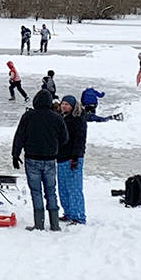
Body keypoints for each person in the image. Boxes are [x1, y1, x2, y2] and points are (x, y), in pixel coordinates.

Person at [12, 90, 69, 232]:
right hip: (50, 160)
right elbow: (65, 138)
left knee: (36, 192)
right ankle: (55, 224)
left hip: (32, 159)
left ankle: (39, 224)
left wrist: (15, 155)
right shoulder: (56, 118)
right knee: (51, 191)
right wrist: (54, 146)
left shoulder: (28, 116)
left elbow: (19, 136)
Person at [56, 95, 87, 225]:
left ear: (73, 106)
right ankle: (68, 212)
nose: (64, 106)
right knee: (63, 188)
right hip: (61, 158)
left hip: (73, 158)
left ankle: (78, 216)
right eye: (63, 103)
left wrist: (75, 157)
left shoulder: (78, 120)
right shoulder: (62, 118)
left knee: (74, 188)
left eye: (67, 104)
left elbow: (80, 140)